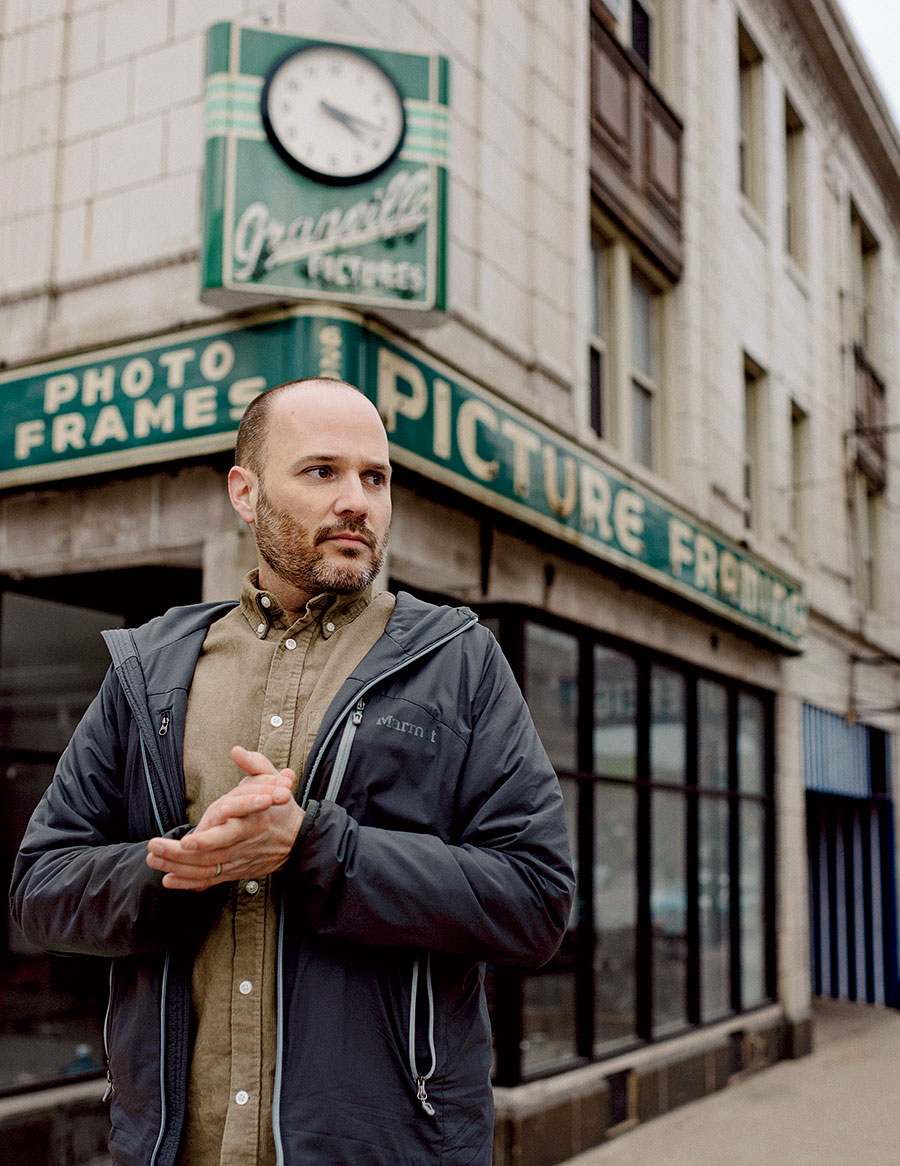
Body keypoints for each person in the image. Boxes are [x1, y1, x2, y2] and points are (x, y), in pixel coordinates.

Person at [10, 378, 575, 1166]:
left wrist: (317, 848)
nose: (357, 502)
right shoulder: (150, 671)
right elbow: (38, 890)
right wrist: (178, 867)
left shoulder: (459, 661)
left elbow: (536, 900)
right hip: (174, 1149)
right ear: (245, 492)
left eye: (374, 478)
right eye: (322, 473)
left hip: (387, 1149)